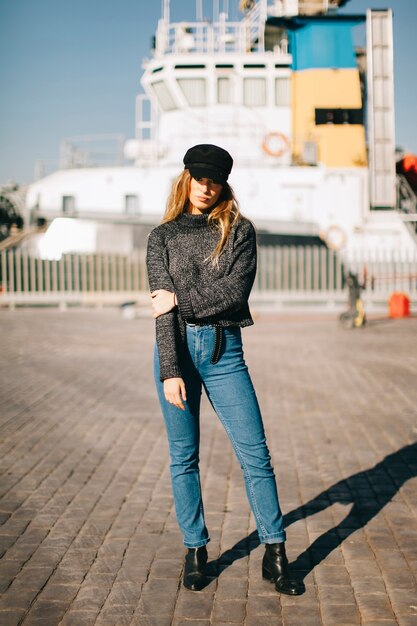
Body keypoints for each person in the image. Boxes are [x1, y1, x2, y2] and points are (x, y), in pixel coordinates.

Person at [146, 144, 300, 595]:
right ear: (186, 177)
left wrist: (182, 299)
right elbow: (162, 312)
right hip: (175, 353)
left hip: (224, 351)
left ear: (223, 183)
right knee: (183, 456)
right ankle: (195, 550)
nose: (205, 186)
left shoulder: (239, 231)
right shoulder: (161, 238)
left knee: (256, 454)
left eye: (213, 179)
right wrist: (170, 370)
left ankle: (276, 552)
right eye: (199, 177)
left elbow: (235, 292)